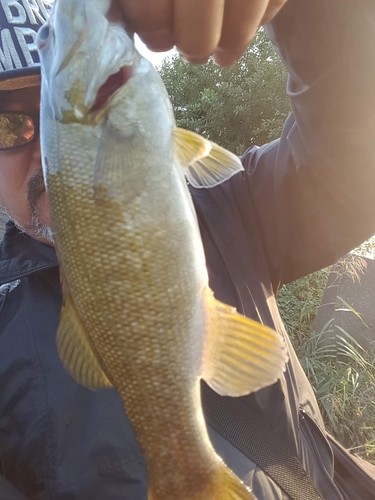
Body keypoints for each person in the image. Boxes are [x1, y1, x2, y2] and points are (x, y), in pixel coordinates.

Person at [0, 0, 374, 498]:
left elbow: (356, 160)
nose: (49, 146)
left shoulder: (230, 209)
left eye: (57, 105)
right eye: (8, 125)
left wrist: (314, 13)